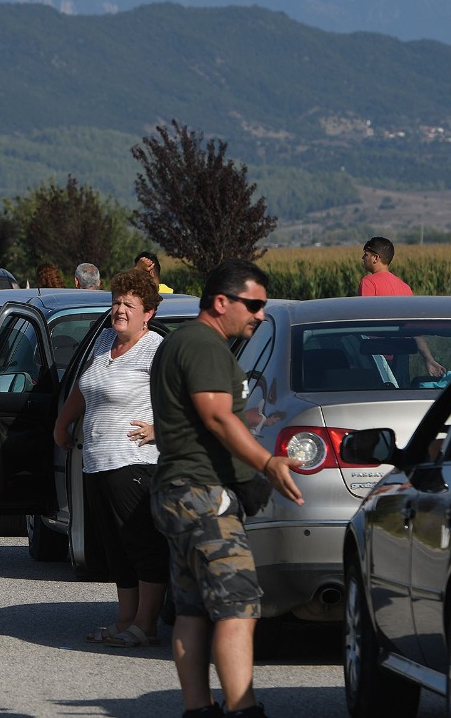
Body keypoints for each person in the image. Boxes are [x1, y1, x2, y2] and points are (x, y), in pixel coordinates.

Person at [149, 259, 304, 718]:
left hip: (178, 493)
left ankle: (199, 709)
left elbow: (204, 418)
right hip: (202, 496)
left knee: (193, 610)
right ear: (222, 302)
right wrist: (266, 462)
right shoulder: (206, 346)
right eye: (253, 304)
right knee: (238, 606)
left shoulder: (180, 342)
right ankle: (242, 709)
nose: (259, 314)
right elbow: (218, 416)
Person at [53, 268, 168, 648]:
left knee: (141, 542)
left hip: (134, 461)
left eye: (129, 305)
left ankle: (146, 626)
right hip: (96, 460)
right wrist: (62, 423)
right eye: (116, 302)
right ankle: (125, 620)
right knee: (115, 546)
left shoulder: (156, 348)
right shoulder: (104, 341)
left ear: (147, 312)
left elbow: (182, 395)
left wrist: (160, 429)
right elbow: (85, 390)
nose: (119, 310)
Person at [358, 236, 445, 377]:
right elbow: (414, 329)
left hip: (376, 356)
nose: (363, 258)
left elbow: (363, 320)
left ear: (376, 258)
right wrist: (429, 359)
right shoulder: (404, 287)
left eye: (366, 254)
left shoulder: (368, 282)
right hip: (401, 356)